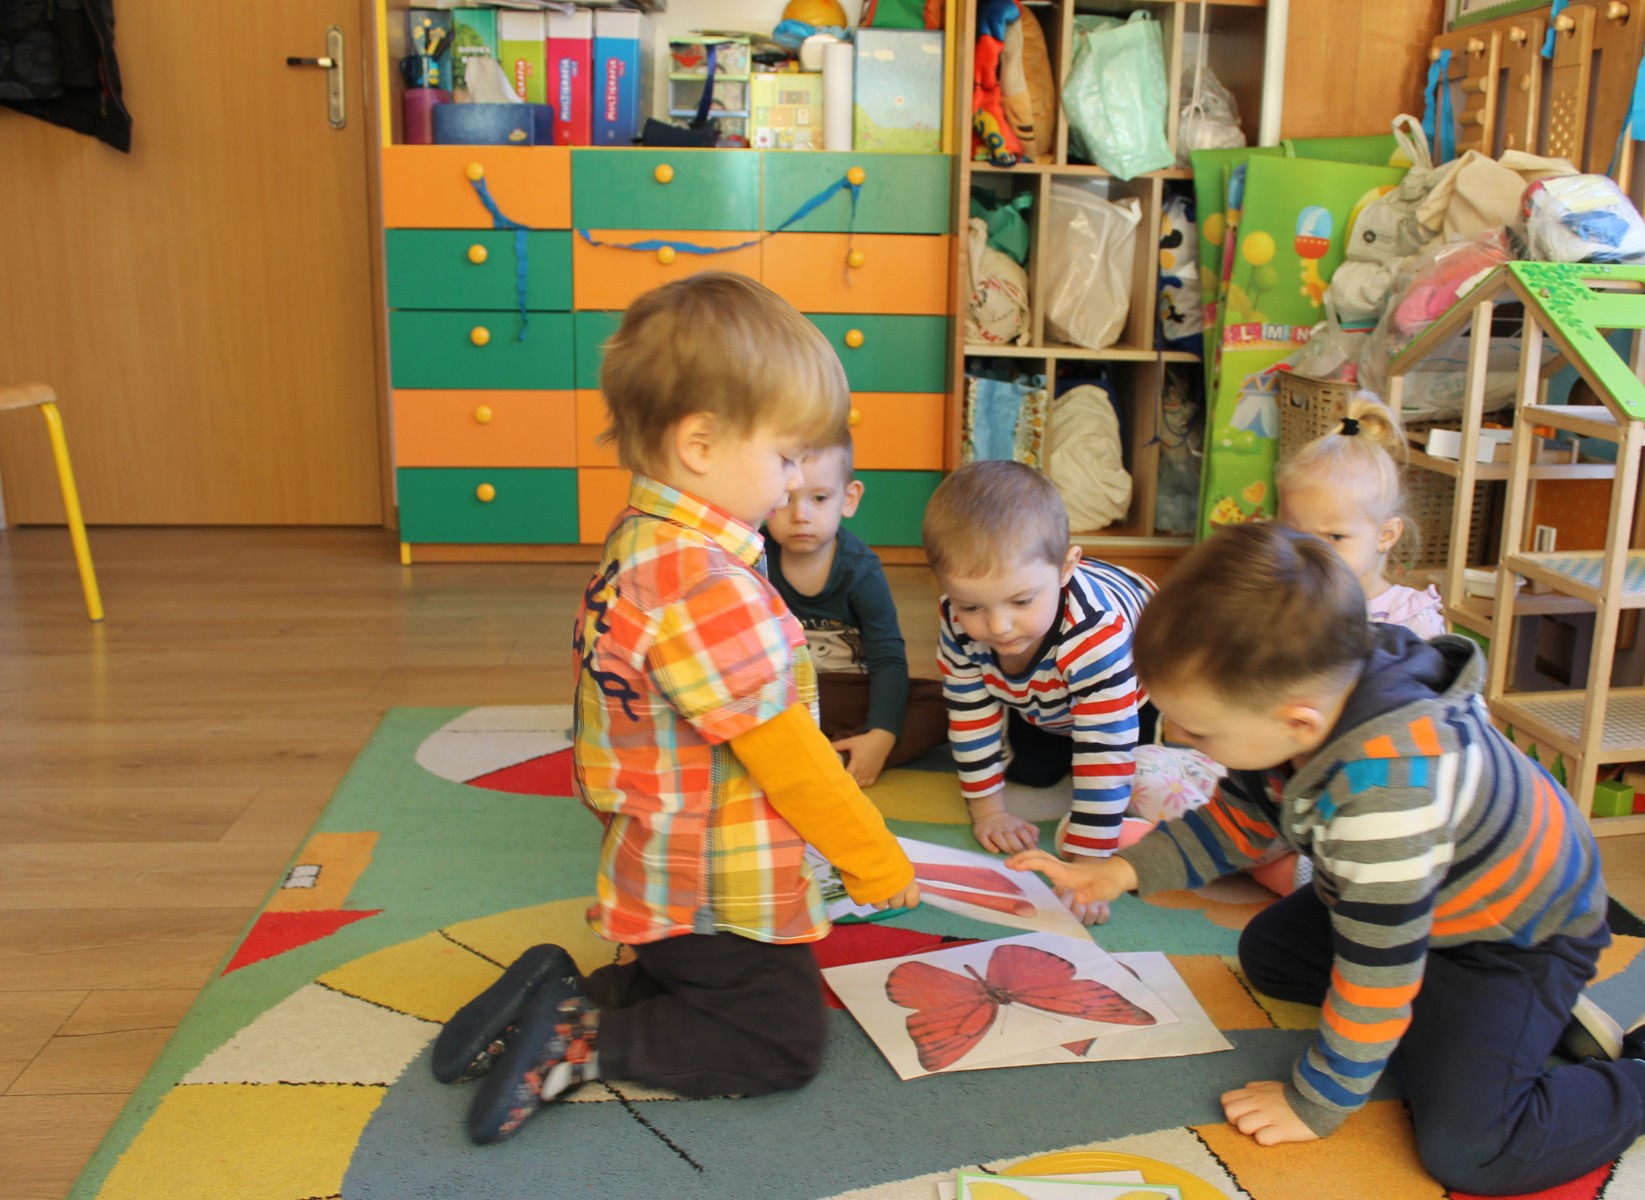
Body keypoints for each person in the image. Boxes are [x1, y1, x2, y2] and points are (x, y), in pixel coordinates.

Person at [1009, 521, 1645, 1195]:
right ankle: (1510, 1031)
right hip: (1425, 904)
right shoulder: (1318, 691)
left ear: (1297, 720)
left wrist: (1315, 1102)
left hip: (1515, 937)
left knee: (1471, 1148)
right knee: (1271, 956)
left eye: (1198, 729)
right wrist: (1120, 870)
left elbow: (1376, 973)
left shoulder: (1387, 798)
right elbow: (1243, 821)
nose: (1177, 739)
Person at [432, 273, 918, 1145]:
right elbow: (793, 762)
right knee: (783, 1040)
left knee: (704, 982)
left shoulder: (640, 540)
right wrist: (875, 861)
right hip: (714, 885)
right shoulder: (709, 587)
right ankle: (581, 1038)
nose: (794, 483)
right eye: (785, 458)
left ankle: (576, 991)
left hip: (654, 865)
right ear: (701, 443)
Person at [922, 460, 1159, 924]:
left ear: (1067, 567)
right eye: (973, 606)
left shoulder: (1096, 636)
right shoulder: (955, 618)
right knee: (1032, 772)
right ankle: (1052, 719)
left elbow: (1106, 749)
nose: (998, 626)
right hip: (1042, 697)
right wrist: (988, 812)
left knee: (1136, 784)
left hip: (1138, 686)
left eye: (1021, 600)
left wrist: (1088, 866)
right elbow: (969, 713)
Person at [765, 429, 948, 787]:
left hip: (846, 692)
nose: (800, 514)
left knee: (944, 704)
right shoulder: (753, 558)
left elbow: (888, 658)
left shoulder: (861, 570)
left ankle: (843, 755)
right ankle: (821, 754)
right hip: (781, 694)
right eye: (786, 497)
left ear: (848, 499)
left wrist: (882, 734)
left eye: (819, 498)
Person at [1277, 396, 1446, 637]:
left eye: (1335, 537)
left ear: (1386, 536)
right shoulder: (1281, 602)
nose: (1313, 551)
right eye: (1296, 534)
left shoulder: (1410, 621)